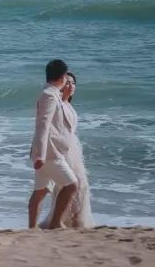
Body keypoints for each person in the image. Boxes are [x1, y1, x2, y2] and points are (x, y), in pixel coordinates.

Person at [39, 72, 95, 228]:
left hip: (73, 149)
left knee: (82, 185)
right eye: (67, 82)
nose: (71, 86)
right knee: (68, 185)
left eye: (73, 83)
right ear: (61, 85)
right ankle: (59, 220)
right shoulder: (56, 103)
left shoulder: (68, 105)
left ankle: (76, 219)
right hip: (61, 150)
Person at [27, 59, 78, 229]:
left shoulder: (52, 94)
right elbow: (43, 125)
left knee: (41, 191)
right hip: (50, 154)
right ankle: (56, 222)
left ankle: (32, 228)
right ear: (62, 77)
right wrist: (40, 155)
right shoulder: (49, 95)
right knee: (71, 186)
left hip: (50, 152)